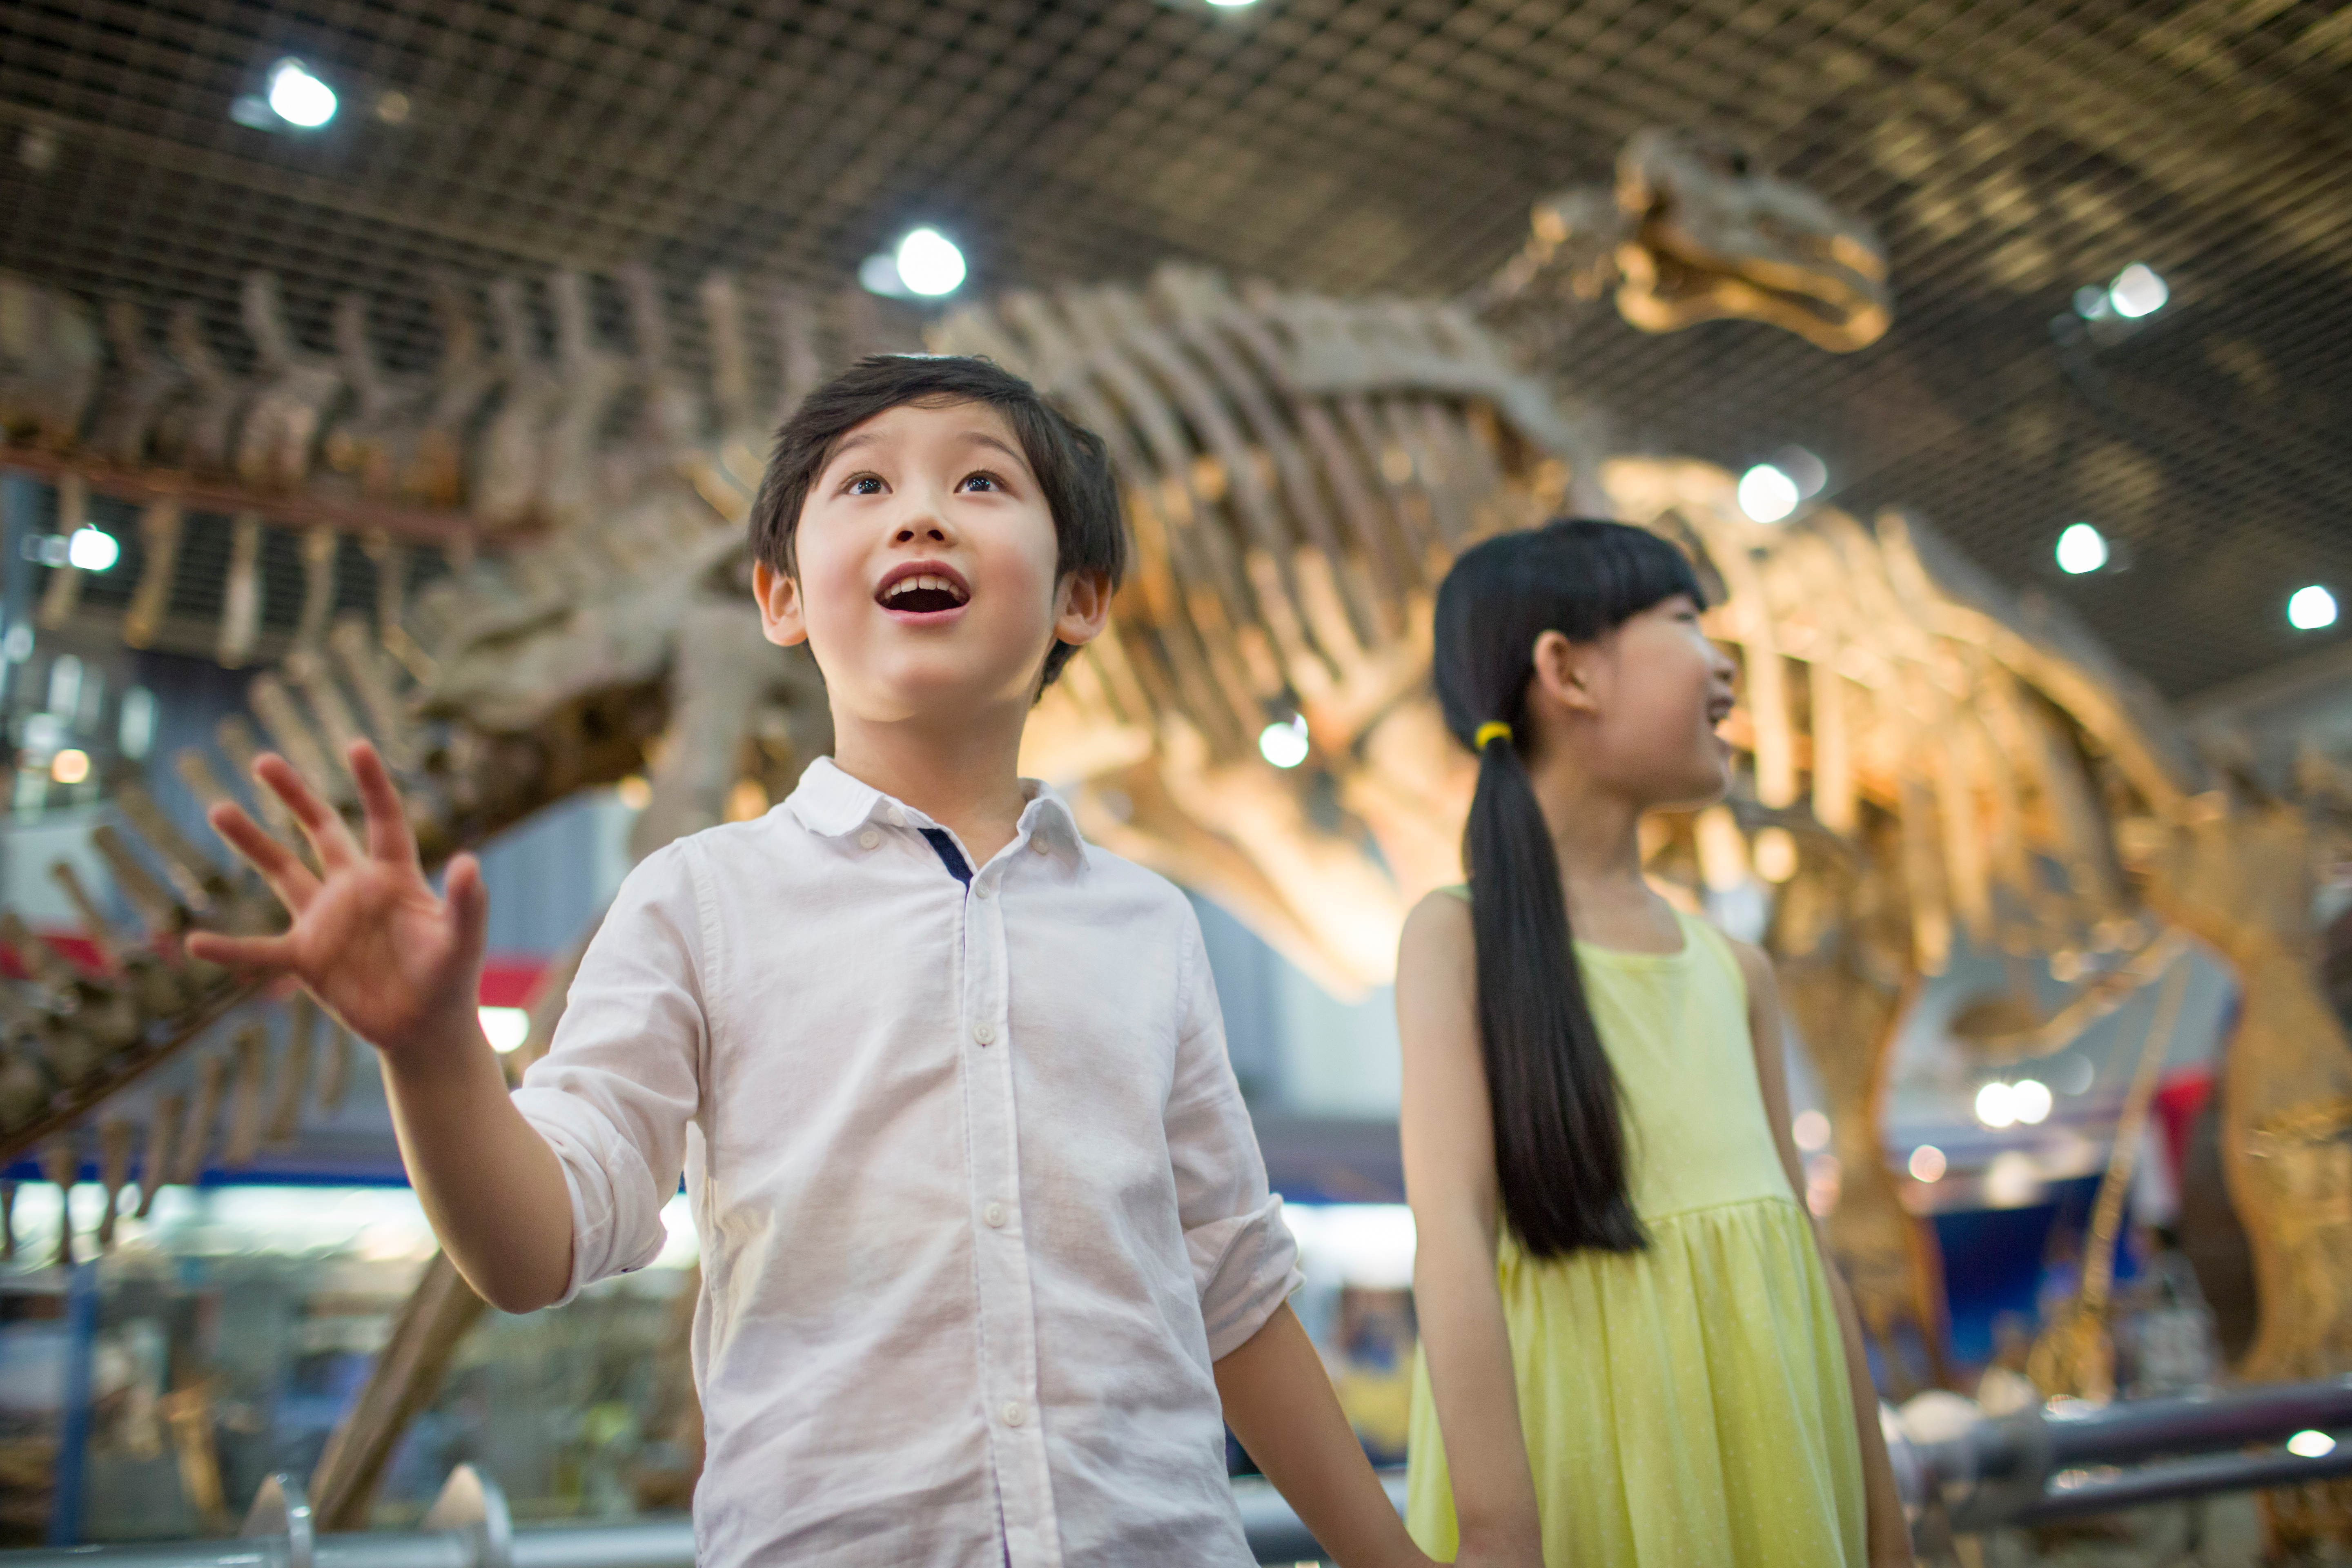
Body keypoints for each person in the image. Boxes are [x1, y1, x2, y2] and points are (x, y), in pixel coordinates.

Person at [189, 355, 1435, 1568]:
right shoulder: (696, 897)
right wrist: (431, 1051)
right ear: (781, 599)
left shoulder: (1151, 924)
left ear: (1081, 597)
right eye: (865, 488)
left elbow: (1231, 1280)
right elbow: (535, 1246)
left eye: (984, 485)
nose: (924, 516)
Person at [1393, 519, 1913, 1567]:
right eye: (1686, 623)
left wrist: (1887, 1532)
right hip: (1574, 1462)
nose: (1724, 665)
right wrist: (1499, 1530)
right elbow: (1450, 1237)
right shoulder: (1455, 936)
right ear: (1568, 671)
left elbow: (1807, 1263)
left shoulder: (1737, 970)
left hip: (1771, 1460)